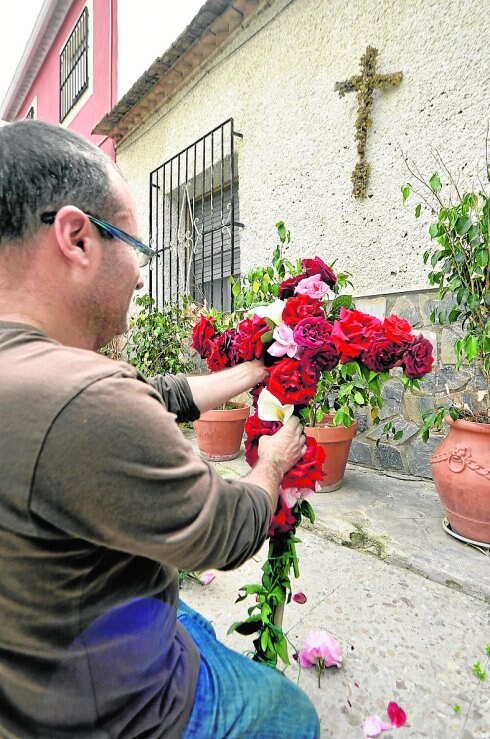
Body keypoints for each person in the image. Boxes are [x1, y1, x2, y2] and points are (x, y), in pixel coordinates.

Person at [0, 120, 320, 739]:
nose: (144, 276)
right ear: (77, 238)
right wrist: (272, 465)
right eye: (137, 249)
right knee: (292, 715)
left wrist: (252, 370)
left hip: (36, 665)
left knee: (188, 620)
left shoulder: (38, 371)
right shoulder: (84, 400)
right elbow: (225, 532)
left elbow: (157, 394)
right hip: (119, 712)